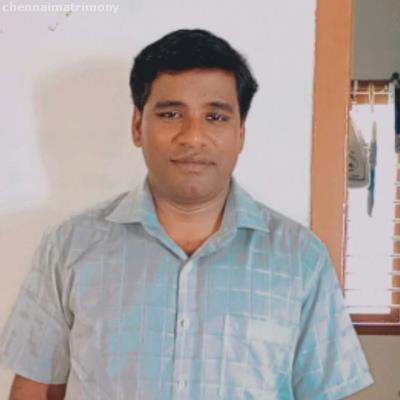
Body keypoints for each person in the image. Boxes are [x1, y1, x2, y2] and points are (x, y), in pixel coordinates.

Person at [0, 29, 373, 400]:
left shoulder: (300, 258)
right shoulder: (70, 247)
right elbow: (34, 389)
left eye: (215, 116)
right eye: (171, 113)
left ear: (240, 134)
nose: (193, 136)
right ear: (137, 126)